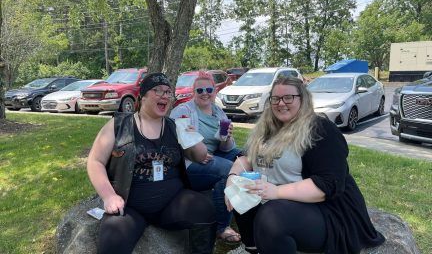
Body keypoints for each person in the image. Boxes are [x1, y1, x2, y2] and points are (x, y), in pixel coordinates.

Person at [225, 76, 385, 254]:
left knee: (271, 216)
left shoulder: (320, 129)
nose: (281, 103)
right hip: (283, 204)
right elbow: (247, 157)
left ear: (303, 98)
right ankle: (253, 248)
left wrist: (276, 192)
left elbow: (328, 184)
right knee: (242, 194)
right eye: (275, 98)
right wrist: (232, 178)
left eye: (288, 97)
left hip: (326, 211)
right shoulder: (268, 128)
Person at [87, 72, 216, 254]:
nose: (164, 96)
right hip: (130, 206)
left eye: (168, 92)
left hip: (172, 204)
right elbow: (95, 161)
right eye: (158, 91)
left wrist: (193, 137)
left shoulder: (175, 126)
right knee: (112, 238)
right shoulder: (119, 125)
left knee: (205, 209)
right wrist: (109, 196)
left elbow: (201, 156)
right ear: (143, 96)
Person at [170, 71, 242, 243]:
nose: (205, 93)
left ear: (215, 91)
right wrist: (194, 151)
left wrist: (227, 137)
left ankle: (249, 209)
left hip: (214, 156)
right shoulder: (183, 110)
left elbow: (226, 148)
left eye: (209, 89)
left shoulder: (219, 113)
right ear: (193, 93)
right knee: (227, 170)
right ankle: (222, 226)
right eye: (200, 90)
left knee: (246, 156)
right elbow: (173, 142)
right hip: (190, 163)